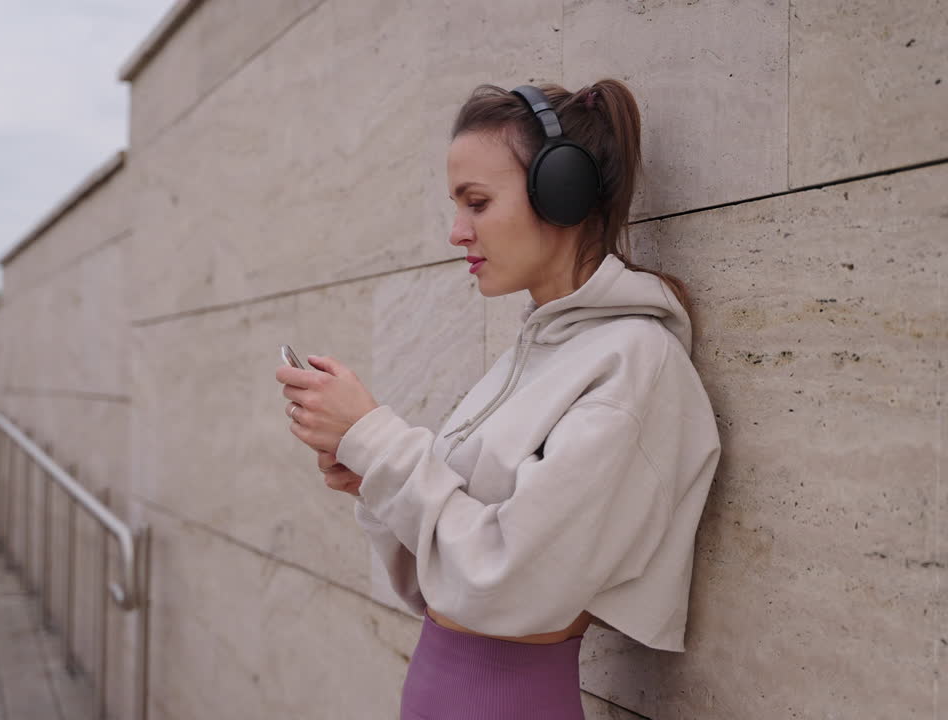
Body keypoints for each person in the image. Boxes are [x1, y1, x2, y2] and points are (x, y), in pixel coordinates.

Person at [275, 79, 721, 720]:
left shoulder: (634, 365)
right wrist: (371, 477)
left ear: (561, 194)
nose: (457, 232)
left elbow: (503, 582)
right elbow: (436, 583)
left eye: (477, 203)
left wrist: (378, 438)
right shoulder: (529, 356)